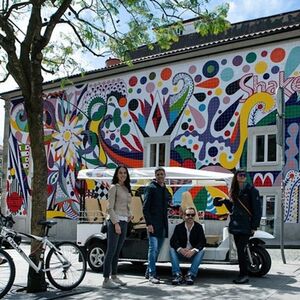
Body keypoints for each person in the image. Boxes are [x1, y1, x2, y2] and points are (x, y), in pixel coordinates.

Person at [214, 168, 262, 284]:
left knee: (240, 249)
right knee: (240, 249)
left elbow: (257, 210)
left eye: (243, 175)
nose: (242, 176)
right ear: (236, 177)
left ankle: (244, 274)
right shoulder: (234, 191)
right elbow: (233, 209)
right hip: (236, 225)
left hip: (246, 225)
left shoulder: (252, 190)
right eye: (239, 175)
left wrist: (254, 226)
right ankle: (243, 272)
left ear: (246, 177)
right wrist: (225, 201)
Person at [102, 166, 132, 289]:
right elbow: (110, 207)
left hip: (124, 221)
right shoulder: (114, 187)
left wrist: (129, 214)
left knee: (117, 251)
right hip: (115, 221)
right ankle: (105, 280)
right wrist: (116, 223)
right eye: (120, 173)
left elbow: (126, 206)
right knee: (111, 251)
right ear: (116, 174)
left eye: (125, 173)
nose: (123, 175)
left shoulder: (126, 188)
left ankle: (114, 276)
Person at [143, 167, 169, 284]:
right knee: (153, 249)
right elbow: (145, 208)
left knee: (157, 250)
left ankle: (149, 271)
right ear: (155, 176)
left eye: (162, 174)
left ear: (165, 175)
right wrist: (149, 224)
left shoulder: (164, 189)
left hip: (163, 225)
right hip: (153, 224)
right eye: (158, 174)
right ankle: (152, 274)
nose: (160, 176)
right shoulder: (151, 187)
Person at [169, 207, 206, 285]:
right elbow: (173, 241)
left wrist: (193, 250)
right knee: (172, 250)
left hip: (193, 254)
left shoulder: (198, 227)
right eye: (188, 215)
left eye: (192, 215)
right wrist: (180, 249)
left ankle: (190, 275)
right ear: (184, 216)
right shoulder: (179, 227)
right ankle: (177, 275)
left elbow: (202, 242)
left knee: (202, 250)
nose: (190, 217)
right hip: (182, 253)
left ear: (194, 216)